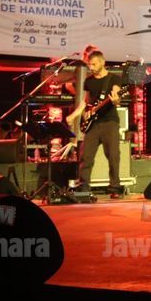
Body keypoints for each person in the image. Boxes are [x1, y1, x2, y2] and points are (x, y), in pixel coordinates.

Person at [65, 50, 124, 198]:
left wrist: (116, 100)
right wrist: (73, 115)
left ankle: (115, 187)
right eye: (89, 65)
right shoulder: (89, 81)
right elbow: (85, 102)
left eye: (94, 64)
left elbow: (117, 96)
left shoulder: (113, 79)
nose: (91, 67)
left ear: (102, 62)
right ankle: (84, 187)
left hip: (109, 122)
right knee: (85, 156)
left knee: (113, 155)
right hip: (93, 124)